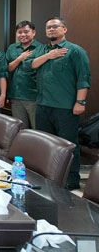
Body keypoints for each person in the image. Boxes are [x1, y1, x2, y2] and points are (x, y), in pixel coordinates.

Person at [31, 17, 91, 190]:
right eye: (48, 27)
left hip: (65, 106)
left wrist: (80, 101)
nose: (51, 29)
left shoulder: (75, 51)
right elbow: (32, 65)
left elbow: (83, 78)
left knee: (68, 144)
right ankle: (48, 177)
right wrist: (49, 56)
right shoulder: (42, 49)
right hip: (43, 105)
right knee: (46, 143)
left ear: (64, 29)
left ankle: (71, 179)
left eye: (55, 27)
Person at [6, 21, 41, 129]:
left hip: (34, 96)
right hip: (15, 96)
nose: (22, 35)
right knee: (21, 129)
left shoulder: (41, 48)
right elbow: (8, 68)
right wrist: (19, 59)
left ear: (33, 32)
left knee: (37, 129)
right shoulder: (12, 48)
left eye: (26, 32)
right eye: (19, 32)